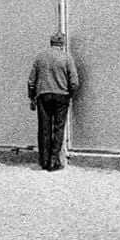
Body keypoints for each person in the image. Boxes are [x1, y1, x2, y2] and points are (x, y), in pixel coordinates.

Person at [27, 32, 79, 171]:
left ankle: (43, 161)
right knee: (58, 128)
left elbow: (31, 81)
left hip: (43, 95)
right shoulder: (67, 58)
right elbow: (74, 82)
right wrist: (70, 95)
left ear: (51, 42)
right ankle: (54, 161)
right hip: (62, 96)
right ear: (62, 44)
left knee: (44, 129)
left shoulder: (40, 57)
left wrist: (32, 97)